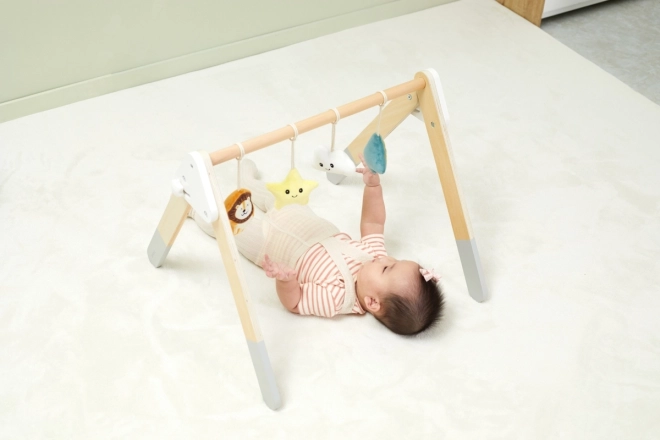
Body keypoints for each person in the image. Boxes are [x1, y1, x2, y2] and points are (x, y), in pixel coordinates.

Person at [191, 155, 444, 336]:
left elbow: (295, 302)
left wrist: (286, 280)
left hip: (269, 244)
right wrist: (373, 187)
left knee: (231, 226)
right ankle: (247, 182)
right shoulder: (374, 256)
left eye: (388, 269)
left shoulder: (337, 299)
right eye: (396, 261)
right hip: (304, 222)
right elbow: (373, 221)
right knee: (276, 197)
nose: (386, 259)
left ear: (372, 302)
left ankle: (197, 213)